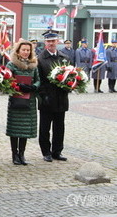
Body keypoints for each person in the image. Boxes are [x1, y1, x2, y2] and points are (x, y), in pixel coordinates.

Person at [6, 39, 40, 165]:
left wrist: (34, 87)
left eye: (28, 50)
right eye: (23, 50)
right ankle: (14, 154)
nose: (26, 52)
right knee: (15, 128)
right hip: (16, 99)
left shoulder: (33, 65)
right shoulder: (11, 64)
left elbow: (38, 79)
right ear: (18, 51)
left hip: (29, 100)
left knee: (25, 129)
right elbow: (7, 79)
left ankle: (22, 154)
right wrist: (17, 85)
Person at [37, 29, 69, 162]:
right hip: (47, 98)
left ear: (57, 41)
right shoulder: (40, 59)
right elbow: (38, 80)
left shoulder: (64, 57)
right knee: (45, 127)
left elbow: (70, 76)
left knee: (59, 127)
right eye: (49, 41)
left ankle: (57, 151)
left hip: (61, 98)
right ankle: (46, 152)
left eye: (53, 41)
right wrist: (44, 95)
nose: (51, 43)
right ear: (45, 42)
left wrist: (70, 86)